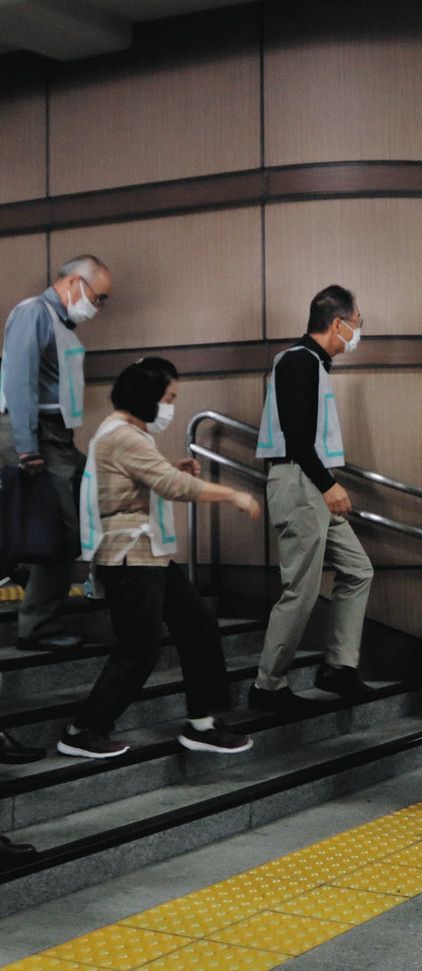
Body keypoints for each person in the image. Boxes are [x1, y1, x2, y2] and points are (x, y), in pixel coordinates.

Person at [57, 358, 259, 759]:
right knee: (139, 650)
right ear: (146, 396)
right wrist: (232, 494)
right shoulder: (125, 436)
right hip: (130, 557)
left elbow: (145, 478)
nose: (170, 406)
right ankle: (83, 730)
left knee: (199, 627)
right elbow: (171, 486)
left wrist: (170, 466)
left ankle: (202, 723)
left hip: (148, 555)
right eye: (168, 398)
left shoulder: (125, 433)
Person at [251, 285, 374, 712]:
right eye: (357, 324)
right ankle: (267, 686)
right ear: (338, 324)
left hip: (312, 482)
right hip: (301, 482)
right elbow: (298, 439)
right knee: (300, 590)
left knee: (358, 570)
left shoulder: (315, 364)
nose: (357, 333)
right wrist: (328, 485)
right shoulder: (298, 362)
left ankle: (339, 667)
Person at [0, 255, 111, 653]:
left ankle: (20, 570)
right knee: (61, 528)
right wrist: (27, 447)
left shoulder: (60, 324)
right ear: (73, 283)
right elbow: (19, 382)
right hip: (34, 432)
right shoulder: (34, 313)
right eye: (98, 298)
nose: (97, 307)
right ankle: (36, 625)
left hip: (56, 436)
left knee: (63, 517)